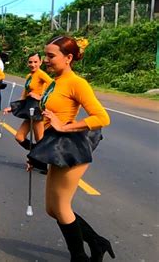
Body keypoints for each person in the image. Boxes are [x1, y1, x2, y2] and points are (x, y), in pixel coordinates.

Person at [27, 36, 114, 262]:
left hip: (71, 147)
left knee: (62, 207)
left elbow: (102, 117)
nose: (46, 60)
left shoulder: (77, 83)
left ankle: (79, 257)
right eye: (45, 55)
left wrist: (65, 127)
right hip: (55, 145)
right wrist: (37, 155)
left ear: (68, 58)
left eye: (51, 56)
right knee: (51, 209)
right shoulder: (56, 81)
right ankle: (98, 242)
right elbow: (48, 119)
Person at [4, 52, 52, 150]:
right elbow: (24, 95)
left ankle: (38, 161)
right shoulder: (29, 76)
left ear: (40, 62)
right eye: (30, 62)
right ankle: (35, 156)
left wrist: (41, 97)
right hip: (29, 108)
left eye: (35, 62)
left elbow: (53, 85)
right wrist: (13, 107)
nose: (33, 64)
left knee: (39, 139)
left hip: (37, 109)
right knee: (19, 137)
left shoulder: (41, 74)